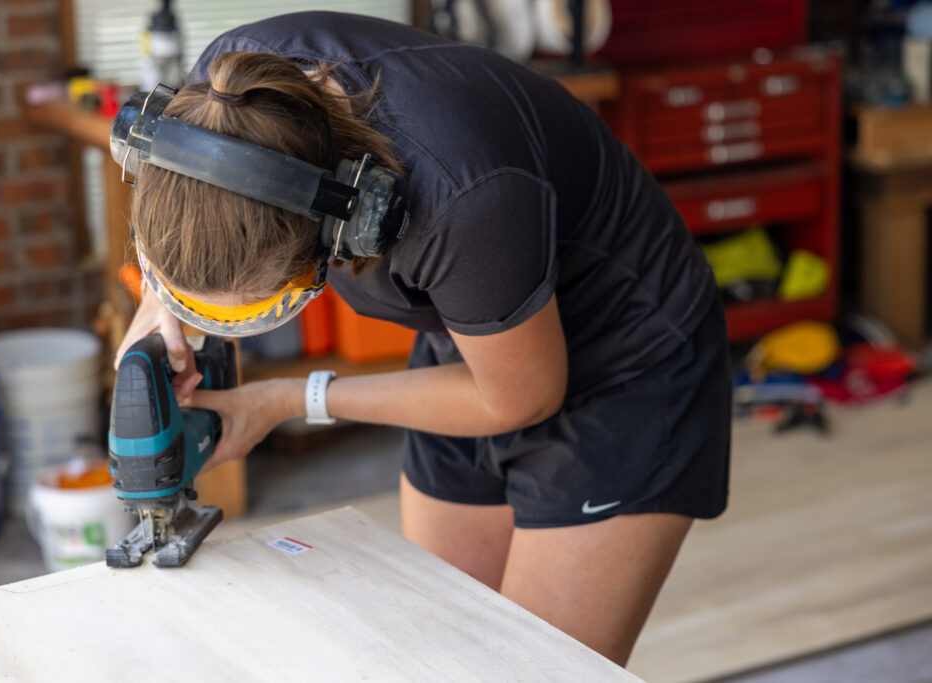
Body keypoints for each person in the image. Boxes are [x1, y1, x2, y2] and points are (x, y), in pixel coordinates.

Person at [115, 11, 731, 666]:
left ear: (338, 234)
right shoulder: (219, 98)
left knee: (536, 668)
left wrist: (286, 399)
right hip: (474, 332)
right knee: (439, 652)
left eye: (247, 309)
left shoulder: (461, 196)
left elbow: (517, 397)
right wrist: (161, 299)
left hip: (624, 358)